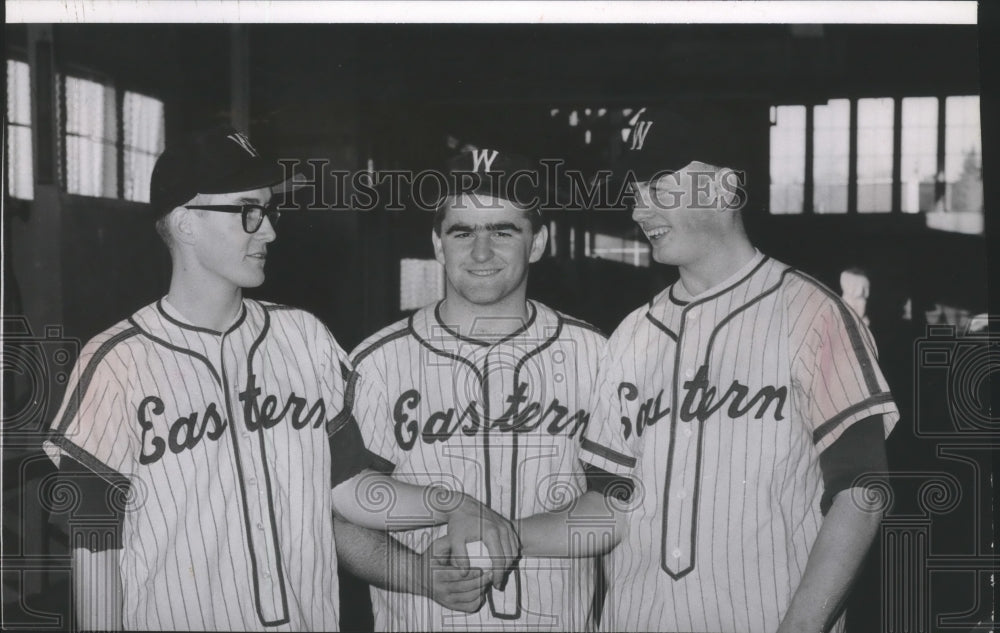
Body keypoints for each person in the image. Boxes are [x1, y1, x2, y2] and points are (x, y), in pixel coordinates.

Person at [42, 127, 518, 631]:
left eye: (269, 211)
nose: (268, 230)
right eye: (248, 211)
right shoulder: (116, 362)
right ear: (185, 222)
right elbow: (95, 557)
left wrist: (456, 504)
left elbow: (350, 488)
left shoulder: (303, 337)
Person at [521, 106, 900, 633]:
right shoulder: (633, 333)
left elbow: (861, 493)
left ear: (723, 188)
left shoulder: (813, 314)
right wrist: (505, 535)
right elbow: (609, 508)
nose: (639, 209)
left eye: (658, 184)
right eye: (634, 191)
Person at [339, 148, 607, 631]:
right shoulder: (375, 363)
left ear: (539, 241)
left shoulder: (597, 356)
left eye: (503, 231)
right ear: (439, 246)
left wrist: (502, 537)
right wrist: (417, 574)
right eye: (462, 232)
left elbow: (616, 510)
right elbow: (339, 514)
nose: (480, 253)